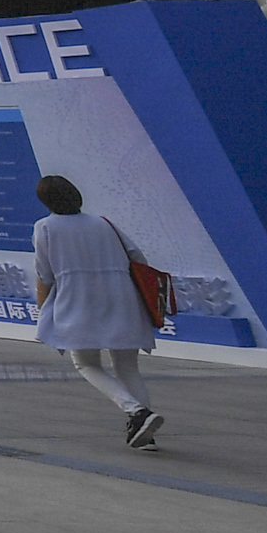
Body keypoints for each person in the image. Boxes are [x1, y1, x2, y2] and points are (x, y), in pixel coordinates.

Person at [30, 173, 166, 448]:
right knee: (128, 367)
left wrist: (43, 308)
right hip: (122, 298)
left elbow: (45, 274)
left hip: (79, 299)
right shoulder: (104, 223)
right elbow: (138, 258)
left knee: (86, 363)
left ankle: (137, 412)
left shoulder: (45, 227)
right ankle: (145, 433)